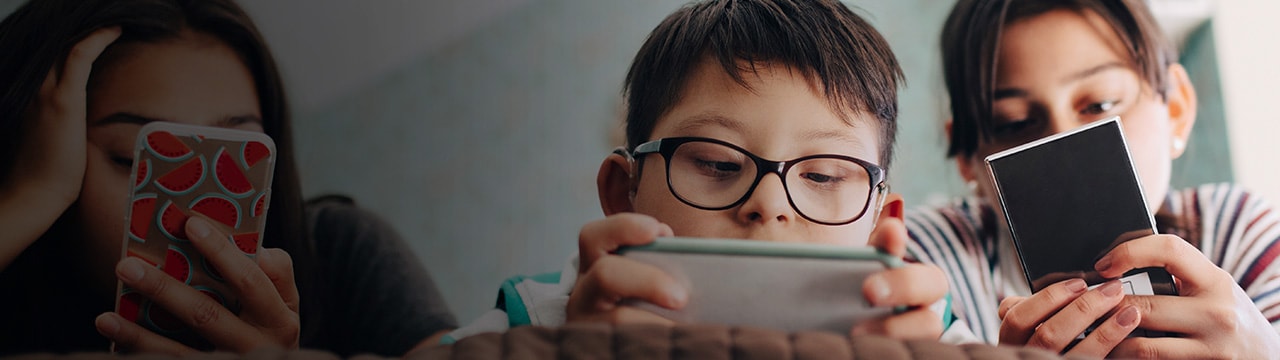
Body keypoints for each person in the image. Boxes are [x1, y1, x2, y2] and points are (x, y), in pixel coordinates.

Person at [442, 0, 970, 343]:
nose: (770, 203)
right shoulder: (533, 321)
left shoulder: (919, 332)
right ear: (623, 193)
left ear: (880, 228)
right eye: (717, 162)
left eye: (825, 176)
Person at [0, 0, 455, 356]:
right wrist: (32, 195)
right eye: (134, 158)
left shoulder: (343, 252)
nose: (193, 214)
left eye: (238, 159)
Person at [905, 0, 1280, 358]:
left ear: (1176, 109)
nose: (1063, 148)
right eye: (1015, 123)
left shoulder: (1237, 235)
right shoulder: (924, 267)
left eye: (1100, 105)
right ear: (968, 161)